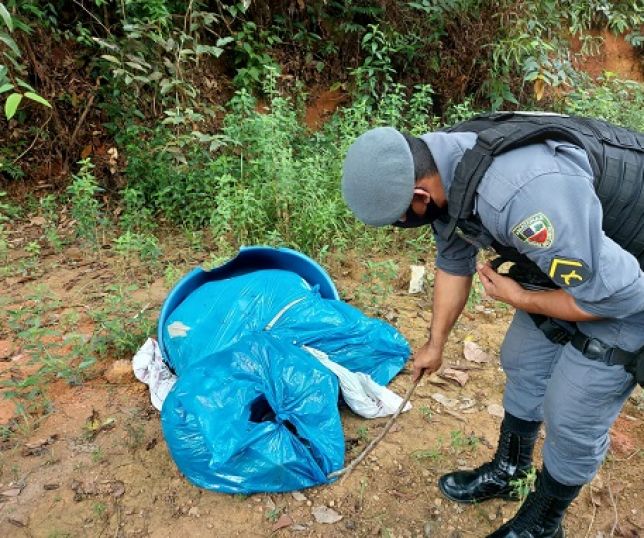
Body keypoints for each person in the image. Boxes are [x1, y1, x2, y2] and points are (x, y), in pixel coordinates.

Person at [340, 114, 644, 538]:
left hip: (628, 281)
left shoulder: (520, 196)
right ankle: (509, 469)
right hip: (581, 260)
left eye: (398, 217)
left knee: (572, 409)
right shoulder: (442, 167)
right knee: (522, 359)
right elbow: (453, 260)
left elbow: (623, 295)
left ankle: (542, 524)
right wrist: (435, 343)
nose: (400, 225)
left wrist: (521, 298)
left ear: (418, 194)